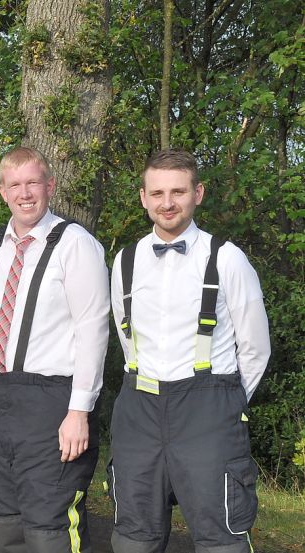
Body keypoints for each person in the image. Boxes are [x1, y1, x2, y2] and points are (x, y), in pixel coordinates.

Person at [108, 150, 270, 553]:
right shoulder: (124, 262)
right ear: (143, 197)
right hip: (139, 410)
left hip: (208, 416)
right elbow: (127, 339)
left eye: (178, 191)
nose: (167, 203)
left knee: (221, 537)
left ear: (198, 193)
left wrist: (222, 401)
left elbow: (255, 349)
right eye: (158, 192)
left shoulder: (227, 259)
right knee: (133, 535)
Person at [0, 146, 109, 552]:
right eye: (15, 185)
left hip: (52, 405)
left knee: (50, 528)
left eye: (33, 183)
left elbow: (93, 330)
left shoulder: (76, 245)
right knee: (5, 524)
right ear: (2, 191)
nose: (25, 193)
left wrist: (79, 412)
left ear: (50, 186)